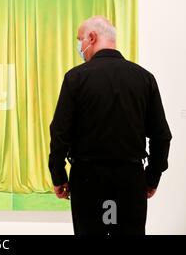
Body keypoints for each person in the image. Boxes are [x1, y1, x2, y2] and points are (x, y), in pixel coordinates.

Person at [48, 15, 172, 235]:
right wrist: (152, 178)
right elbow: (161, 136)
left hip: (87, 180)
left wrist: (59, 176)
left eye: (80, 39)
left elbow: (60, 134)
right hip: (130, 179)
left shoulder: (75, 79)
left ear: (92, 37)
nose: (79, 46)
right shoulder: (144, 79)